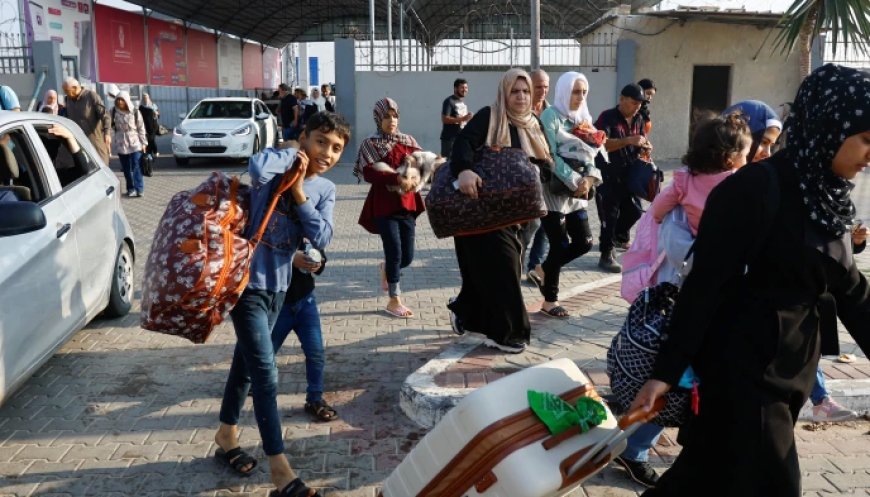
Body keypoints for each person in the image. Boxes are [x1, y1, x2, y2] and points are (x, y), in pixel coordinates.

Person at [630, 63, 870, 497]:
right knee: (776, 484)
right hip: (744, 372)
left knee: (701, 480)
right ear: (829, 127)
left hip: (792, 372)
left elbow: (850, 288)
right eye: (867, 139)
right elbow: (705, 285)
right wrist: (664, 373)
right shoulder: (755, 190)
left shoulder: (827, 196)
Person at [215, 112, 348, 497]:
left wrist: (301, 193)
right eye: (320, 141)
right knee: (266, 374)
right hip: (247, 287)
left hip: (281, 290)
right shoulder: (276, 167)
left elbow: (322, 234)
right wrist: (290, 155)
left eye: (337, 148)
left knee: (244, 366)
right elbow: (255, 167)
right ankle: (281, 472)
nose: (327, 152)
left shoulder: (325, 190)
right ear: (304, 138)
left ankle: (226, 435)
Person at [723, 99, 859, 423]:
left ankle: (821, 397)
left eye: (773, 144)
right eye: (763, 143)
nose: (766, 152)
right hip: (746, 340)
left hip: (788, 341)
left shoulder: (816, 191)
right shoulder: (742, 187)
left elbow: (850, 285)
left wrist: (853, 244)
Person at [447, 68, 552, 354]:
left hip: (522, 214)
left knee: (489, 271)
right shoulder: (489, 116)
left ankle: (465, 312)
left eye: (526, 91)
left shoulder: (534, 124)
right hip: (483, 207)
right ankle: (509, 333)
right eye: (515, 91)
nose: (521, 96)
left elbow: (545, 163)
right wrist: (465, 170)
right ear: (504, 93)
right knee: (504, 269)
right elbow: (463, 144)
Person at [536, 71, 601, 319]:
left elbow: (594, 153)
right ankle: (550, 301)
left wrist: (590, 178)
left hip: (577, 191)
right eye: (575, 91)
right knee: (560, 243)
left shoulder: (584, 117)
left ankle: (543, 269)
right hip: (554, 190)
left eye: (584, 92)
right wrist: (575, 180)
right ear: (564, 91)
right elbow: (549, 155)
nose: (580, 96)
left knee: (584, 242)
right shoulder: (550, 116)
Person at [355, 98, 425, 318]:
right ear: (378, 118)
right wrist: (397, 176)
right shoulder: (370, 144)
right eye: (386, 116)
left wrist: (415, 175)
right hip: (384, 205)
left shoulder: (409, 141)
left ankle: (386, 268)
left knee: (407, 257)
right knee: (394, 251)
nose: (391, 120)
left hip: (407, 204)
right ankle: (394, 300)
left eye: (394, 116)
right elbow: (369, 172)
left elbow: (421, 166)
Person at [272, 245, 337, 422]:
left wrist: (318, 263)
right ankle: (248, 382)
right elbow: (256, 253)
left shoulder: (304, 224)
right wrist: (291, 257)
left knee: (316, 354)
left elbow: (320, 256)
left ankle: (314, 399)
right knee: (264, 355)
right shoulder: (269, 223)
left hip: (305, 302)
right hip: (277, 306)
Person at [594, 83, 650, 272]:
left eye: (640, 104)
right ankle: (606, 255)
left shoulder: (639, 118)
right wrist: (627, 140)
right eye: (634, 103)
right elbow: (602, 145)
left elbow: (640, 140)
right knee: (609, 216)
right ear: (622, 99)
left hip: (630, 175)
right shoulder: (607, 117)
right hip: (608, 175)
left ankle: (612, 237)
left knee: (634, 211)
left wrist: (645, 147)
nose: (637, 107)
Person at [522, 69, 552, 287]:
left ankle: (535, 267)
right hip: (524, 178)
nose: (542, 91)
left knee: (546, 223)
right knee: (530, 224)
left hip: (549, 178)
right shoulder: (518, 111)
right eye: (538, 86)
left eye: (546, 86)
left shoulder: (553, 112)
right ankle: (516, 261)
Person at [63, 77, 111, 165]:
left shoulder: (91, 96)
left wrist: (107, 133)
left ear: (75, 88)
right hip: (78, 143)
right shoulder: (67, 99)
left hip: (94, 141)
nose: (65, 93)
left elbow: (105, 116)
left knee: (102, 167)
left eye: (67, 90)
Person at [111, 91, 147, 198]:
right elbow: (109, 125)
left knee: (136, 166)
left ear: (127, 100)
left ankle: (139, 189)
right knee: (126, 168)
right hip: (121, 143)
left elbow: (141, 128)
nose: (120, 102)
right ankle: (130, 188)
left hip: (135, 142)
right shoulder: (113, 111)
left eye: (122, 100)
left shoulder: (135, 112)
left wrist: (144, 143)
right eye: (118, 100)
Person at [440, 78, 472, 158]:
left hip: (460, 139)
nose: (465, 90)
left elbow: (462, 120)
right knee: (447, 165)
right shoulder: (449, 101)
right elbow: (444, 119)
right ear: (455, 88)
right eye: (462, 87)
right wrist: (462, 119)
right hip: (450, 140)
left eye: (466, 88)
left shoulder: (461, 102)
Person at [138, 93, 160, 157]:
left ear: (149, 98)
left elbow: (158, 115)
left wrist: (156, 113)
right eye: (144, 98)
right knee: (147, 140)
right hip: (145, 126)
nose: (145, 99)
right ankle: (149, 153)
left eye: (146, 98)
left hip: (153, 126)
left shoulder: (153, 105)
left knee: (151, 139)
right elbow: (139, 116)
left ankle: (155, 151)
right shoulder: (141, 107)